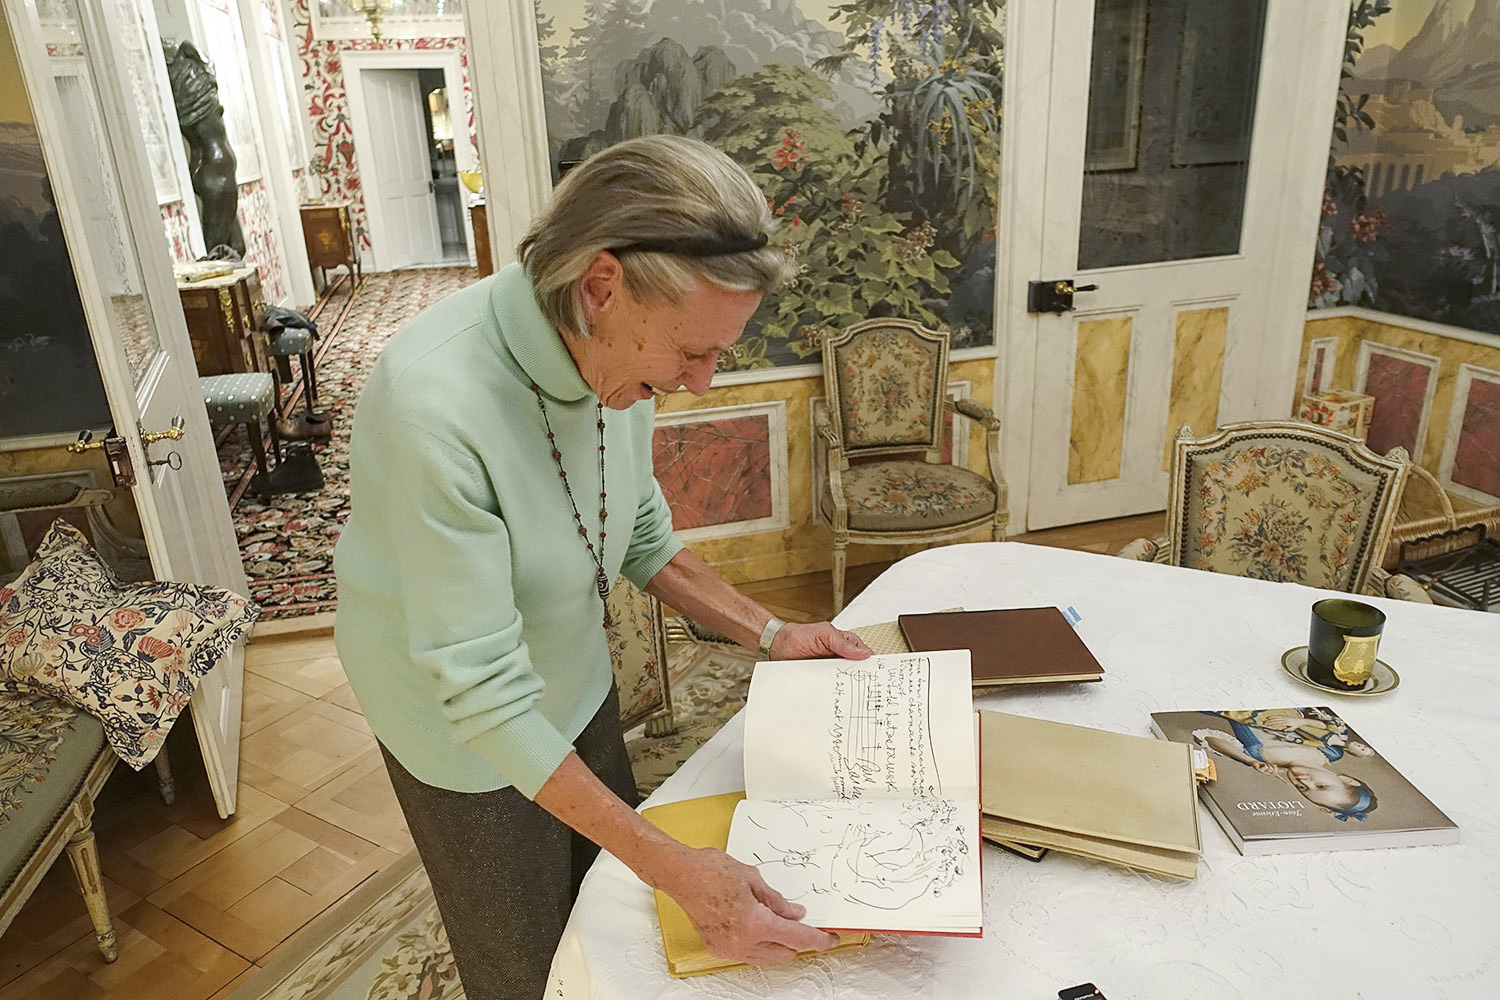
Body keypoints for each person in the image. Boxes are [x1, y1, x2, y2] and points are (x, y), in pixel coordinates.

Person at [333, 134, 872, 1000]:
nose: (700, 382)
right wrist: (680, 869)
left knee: (605, 901)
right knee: (524, 964)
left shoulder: (614, 356)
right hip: (456, 718)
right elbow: (480, 691)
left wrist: (771, 633)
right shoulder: (431, 404)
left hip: (567, 669)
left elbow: (638, 531)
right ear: (598, 287)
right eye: (691, 352)